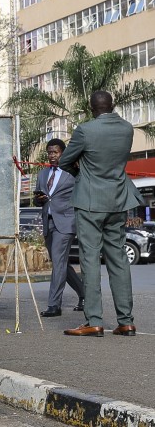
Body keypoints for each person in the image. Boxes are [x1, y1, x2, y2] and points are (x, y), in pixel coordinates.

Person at [60, 90, 141, 337]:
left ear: (91, 107)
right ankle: (126, 321)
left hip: (90, 202)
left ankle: (94, 320)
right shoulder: (127, 128)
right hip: (118, 199)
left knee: (90, 259)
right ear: (112, 105)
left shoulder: (85, 130)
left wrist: (81, 173)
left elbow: (65, 161)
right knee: (118, 259)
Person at [33, 138, 85, 317]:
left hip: (66, 222)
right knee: (60, 262)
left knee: (58, 261)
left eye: (55, 152)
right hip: (49, 223)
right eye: (49, 152)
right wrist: (38, 200)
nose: (52, 155)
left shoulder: (73, 172)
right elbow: (37, 199)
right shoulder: (42, 174)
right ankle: (84, 294)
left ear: (63, 153)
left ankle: (54, 305)